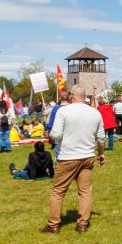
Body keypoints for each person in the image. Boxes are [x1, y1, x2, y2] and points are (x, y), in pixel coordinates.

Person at [40, 86, 105, 233]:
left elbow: (55, 135)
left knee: (58, 191)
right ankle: (82, 224)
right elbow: (101, 138)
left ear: (73, 95)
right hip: (88, 156)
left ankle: (53, 225)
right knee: (85, 191)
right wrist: (101, 153)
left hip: (68, 157)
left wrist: (51, 135)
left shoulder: (63, 111)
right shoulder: (95, 112)